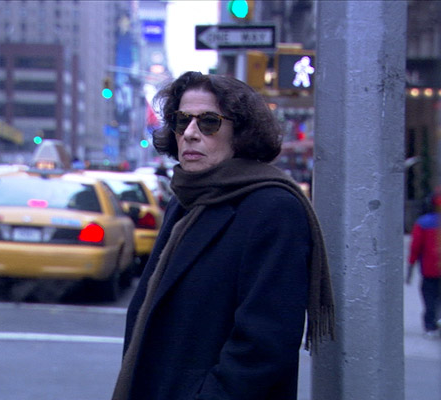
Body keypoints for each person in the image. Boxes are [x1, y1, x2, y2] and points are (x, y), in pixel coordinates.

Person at [111, 71, 335, 400]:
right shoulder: (186, 199)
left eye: (209, 122)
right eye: (182, 121)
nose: (190, 133)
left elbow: (264, 345)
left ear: (240, 133)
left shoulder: (272, 208)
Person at [407, 192, 441, 337]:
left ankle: (431, 326)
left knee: (430, 298)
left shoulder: (423, 223)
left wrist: (410, 268)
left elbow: (415, 247)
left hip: (430, 270)